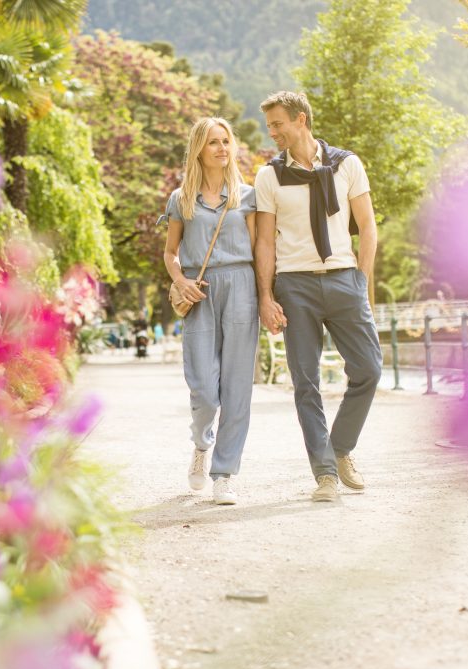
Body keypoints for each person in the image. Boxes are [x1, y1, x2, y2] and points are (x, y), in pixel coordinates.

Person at [254, 91, 382, 502]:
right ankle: (325, 475)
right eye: (270, 126)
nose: (273, 132)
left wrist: (362, 282)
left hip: (344, 278)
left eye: (278, 124)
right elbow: (265, 244)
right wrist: (265, 297)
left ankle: (340, 447)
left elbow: (367, 225)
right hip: (295, 286)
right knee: (305, 383)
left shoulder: (347, 164)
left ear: (301, 119)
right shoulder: (269, 176)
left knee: (369, 369)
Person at [163, 117, 258, 506]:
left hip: (242, 286)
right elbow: (171, 252)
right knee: (203, 387)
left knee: (237, 387)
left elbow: (261, 249)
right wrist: (181, 281)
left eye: (226, 141)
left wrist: (267, 295)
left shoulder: (248, 196)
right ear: (199, 149)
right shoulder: (181, 199)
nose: (222, 148)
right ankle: (201, 446)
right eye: (213, 142)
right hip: (199, 291)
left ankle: (224, 474)